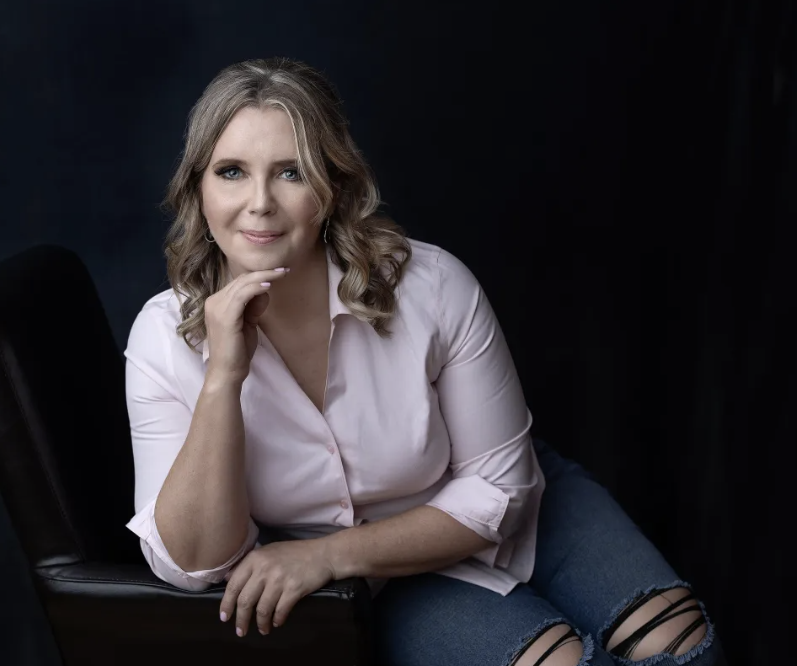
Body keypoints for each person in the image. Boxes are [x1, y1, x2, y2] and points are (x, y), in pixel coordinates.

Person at [123, 57, 727, 666]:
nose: (259, 203)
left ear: (333, 187)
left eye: (291, 172)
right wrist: (224, 378)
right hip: (387, 583)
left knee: (681, 649)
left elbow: (500, 486)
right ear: (198, 186)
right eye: (231, 172)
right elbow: (196, 563)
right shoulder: (162, 335)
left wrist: (328, 556)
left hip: (514, 511)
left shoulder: (431, 285)